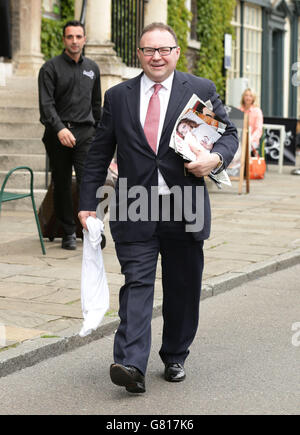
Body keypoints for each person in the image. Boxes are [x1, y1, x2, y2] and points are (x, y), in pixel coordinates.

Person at [78, 22, 238, 394]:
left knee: (183, 286)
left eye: (164, 49)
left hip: (185, 207)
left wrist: (213, 159)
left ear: (177, 52)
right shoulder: (117, 97)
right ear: (139, 54)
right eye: (149, 50)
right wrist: (89, 205)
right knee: (136, 283)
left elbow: (228, 134)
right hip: (135, 206)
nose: (157, 57)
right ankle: (131, 364)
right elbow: (99, 152)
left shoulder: (199, 90)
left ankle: (175, 354)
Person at [38, 20, 101, 250]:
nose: (74, 41)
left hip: (86, 133)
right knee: (62, 182)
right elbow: (46, 106)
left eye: (78, 36)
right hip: (58, 133)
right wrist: (60, 129)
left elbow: (96, 105)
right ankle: (67, 232)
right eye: (70, 37)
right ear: (64, 39)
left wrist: (100, 133)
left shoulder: (93, 68)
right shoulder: (50, 68)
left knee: (89, 181)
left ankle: (91, 229)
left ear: (84, 39)